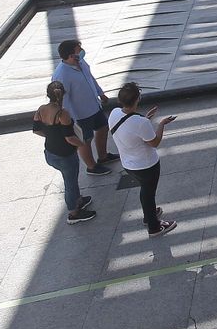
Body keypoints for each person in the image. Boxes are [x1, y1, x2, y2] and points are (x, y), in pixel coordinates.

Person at [108, 82, 178, 237]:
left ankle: (150, 214)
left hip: (128, 164)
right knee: (148, 194)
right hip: (146, 165)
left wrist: (146, 119)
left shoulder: (114, 113)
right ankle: (154, 226)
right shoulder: (141, 123)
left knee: (145, 191)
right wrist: (161, 124)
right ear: (137, 99)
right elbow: (154, 143)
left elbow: (130, 129)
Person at [32, 81, 96, 225]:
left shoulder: (41, 110)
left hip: (50, 153)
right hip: (65, 155)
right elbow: (70, 138)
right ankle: (74, 213)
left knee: (70, 180)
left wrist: (51, 136)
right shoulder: (63, 114)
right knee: (70, 183)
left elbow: (36, 130)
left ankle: (78, 200)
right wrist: (82, 144)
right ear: (63, 95)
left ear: (47, 94)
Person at [53, 38, 112, 176]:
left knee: (103, 128)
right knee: (85, 141)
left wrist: (100, 93)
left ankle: (103, 156)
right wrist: (69, 120)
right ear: (70, 55)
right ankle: (91, 167)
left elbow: (90, 77)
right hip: (80, 114)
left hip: (94, 106)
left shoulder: (80, 61)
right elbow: (64, 100)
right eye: (79, 50)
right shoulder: (62, 75)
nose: (82, 52)